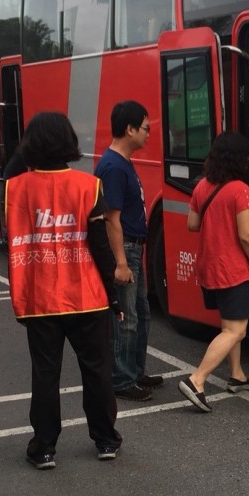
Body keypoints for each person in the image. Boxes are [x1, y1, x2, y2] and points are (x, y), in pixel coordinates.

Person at [5, 111, 123, 469]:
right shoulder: (88, 185)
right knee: (97, 371)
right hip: (87, 297)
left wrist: (25, 149)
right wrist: (113, 295)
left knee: (45, 373)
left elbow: (13, 167)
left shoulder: (16, 186)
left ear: (30, 145)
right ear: (70, 142)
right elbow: (100, 246)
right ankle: (105, 440)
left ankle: (43, 448)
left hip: (40, 298)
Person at [178, 131, 249, 413]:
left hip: (208, 266)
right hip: (231, 268)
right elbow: (246, 236)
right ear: (240, 158)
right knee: (237, 330)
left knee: (228, 325)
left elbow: (192, 224)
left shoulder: (203, 186)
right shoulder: (240, 190)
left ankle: (237, 375)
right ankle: (197, 380)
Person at [94, 101, 163, 402]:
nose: (149, 133)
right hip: (127, 251)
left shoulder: (122, 162)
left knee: (142, 314)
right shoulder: (112, 166)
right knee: (127, 316)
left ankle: (135, 371)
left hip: (135, 248)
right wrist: (120, 262)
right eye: (146, 128)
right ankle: (122, 379)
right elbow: (111, 219)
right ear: (130, 129)